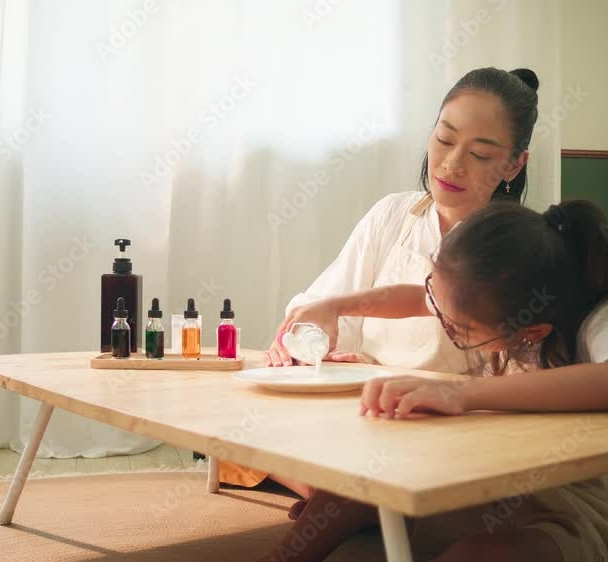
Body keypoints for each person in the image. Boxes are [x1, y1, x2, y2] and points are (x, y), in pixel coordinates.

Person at [263, 200, 608, 562]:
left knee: (484, 554)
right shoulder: (492, 290)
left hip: (584, 509)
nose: (442, 325)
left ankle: (387, 516)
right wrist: (335, 305)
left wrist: (462, 392)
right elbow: (411, 298)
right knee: (357, 480)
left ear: (530, 332)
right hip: (504, 485)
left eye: (458, 328)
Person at [220, 66, 543, 493]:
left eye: (480, 155)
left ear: (514, 164)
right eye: (444, 139)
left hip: (451, 431)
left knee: (341, 480)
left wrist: (402, 382)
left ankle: (353, 500)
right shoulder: (393, 216)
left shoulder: (524, 248)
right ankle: (354, 500)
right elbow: (323, 309)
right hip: (368, 414)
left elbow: (520, 384)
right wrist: (306, 344)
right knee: (236, 427)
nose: (450, 164)